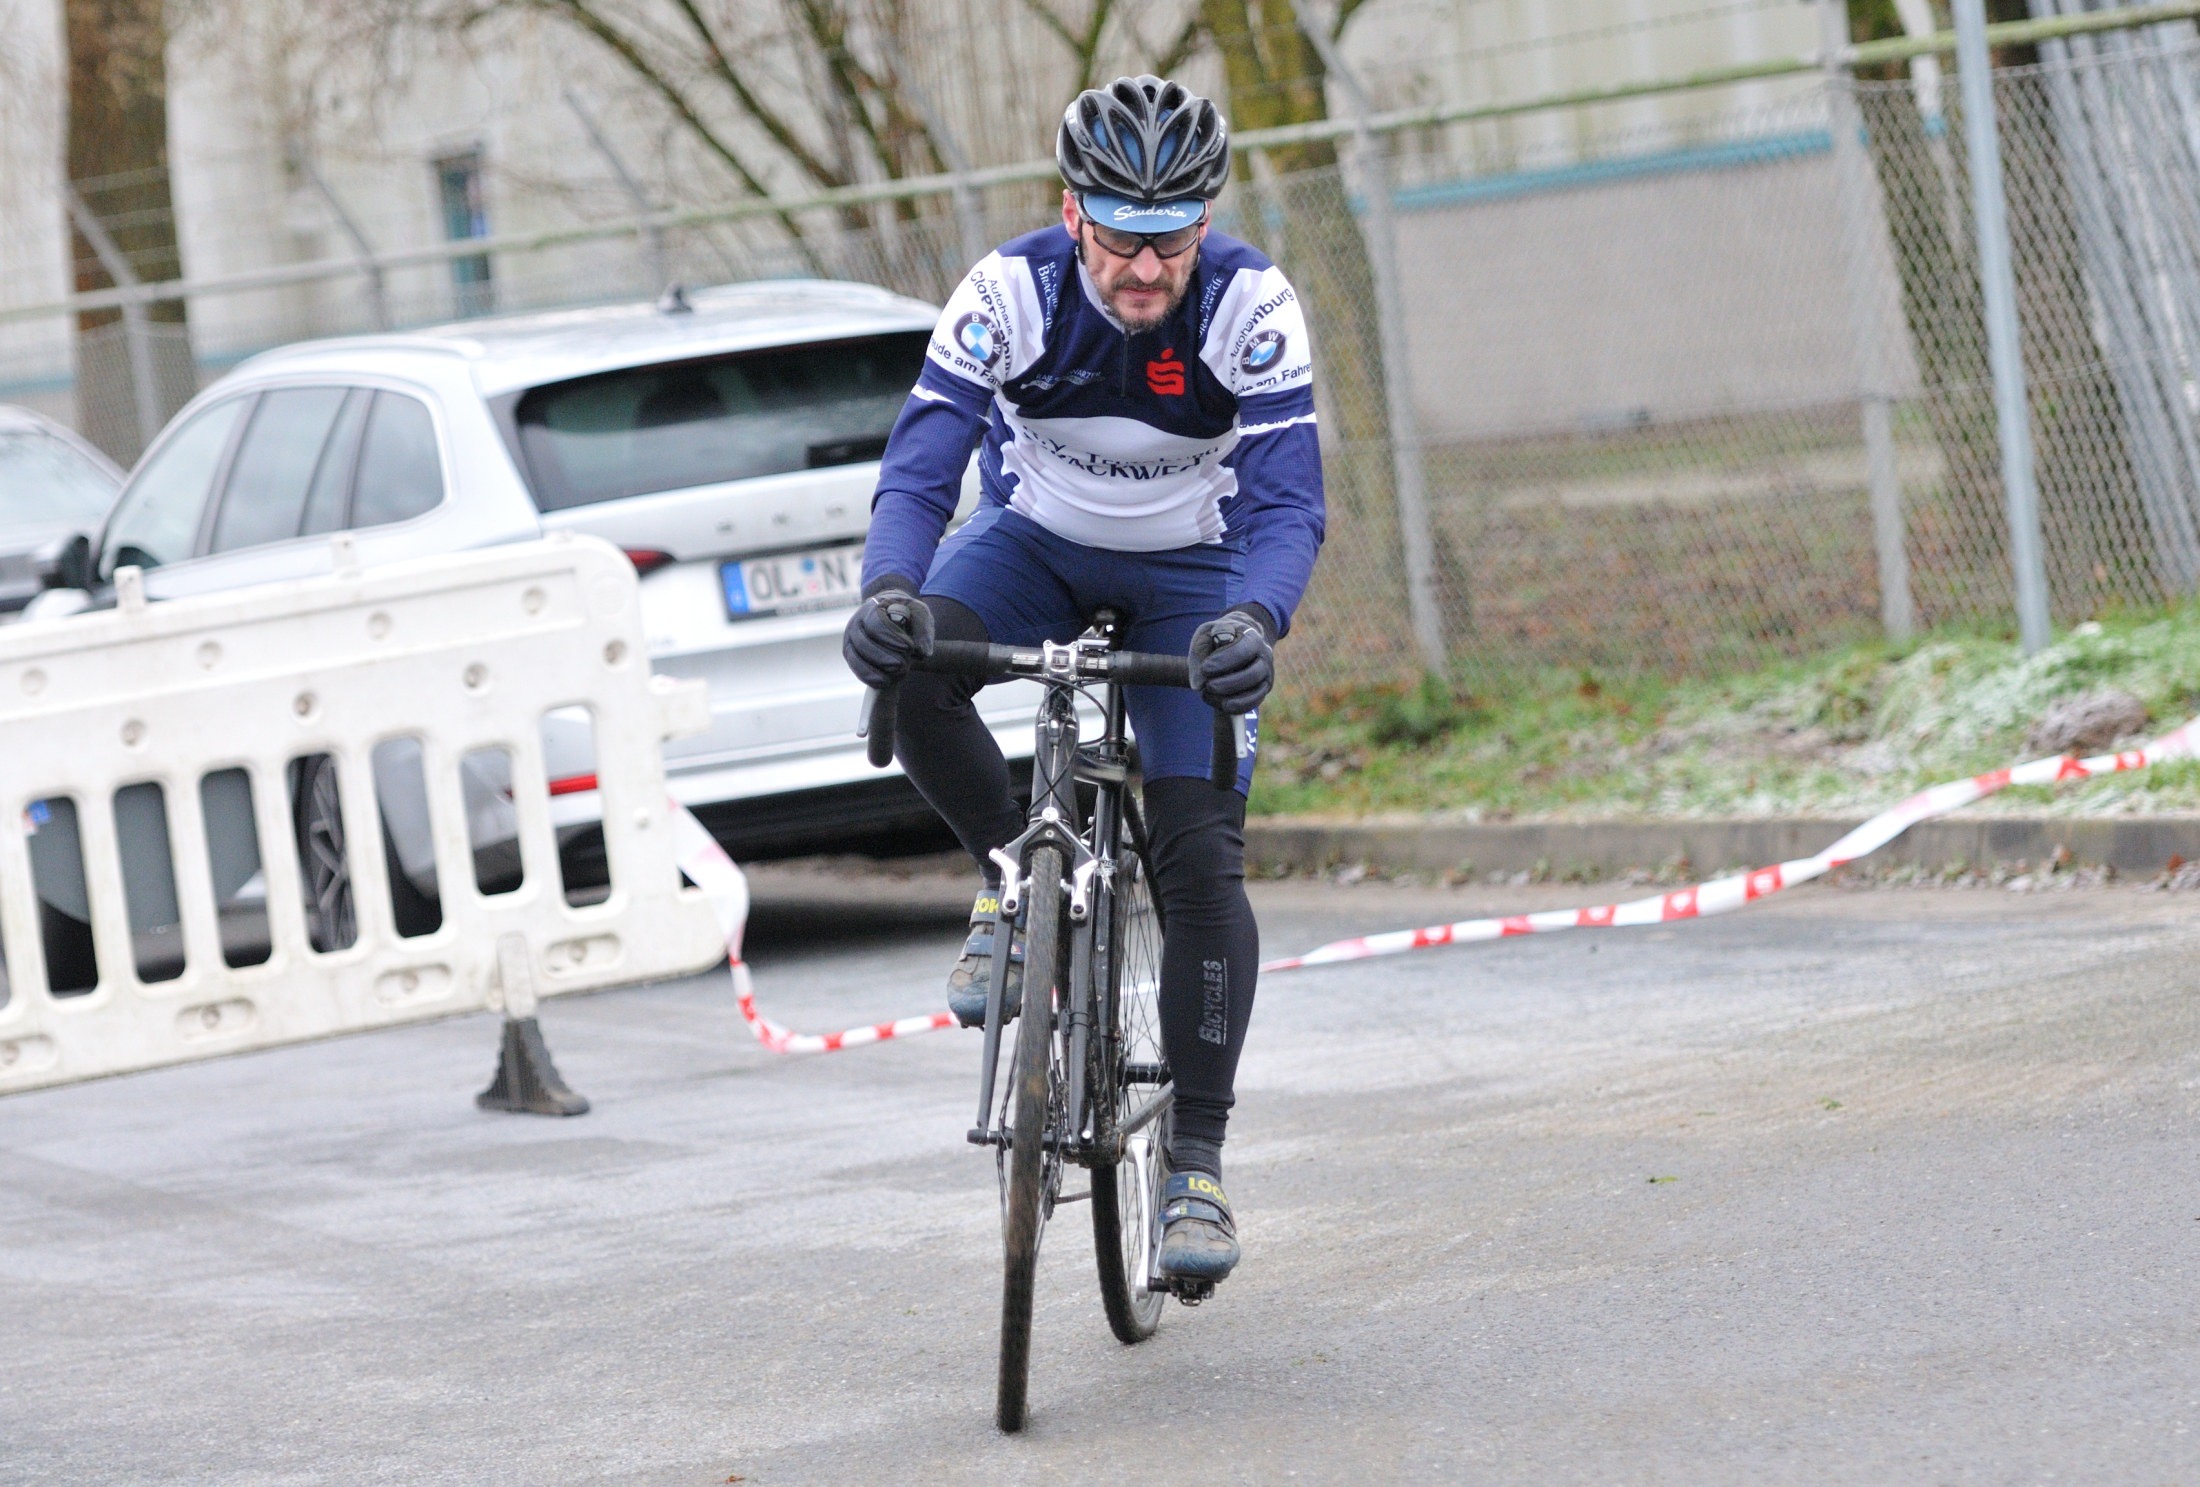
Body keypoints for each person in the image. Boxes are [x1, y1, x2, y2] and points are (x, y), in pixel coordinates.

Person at [841, 75, 1325, 1287]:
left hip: (1194, 567)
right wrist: (889, 589)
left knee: (1200, 857)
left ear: (1203, 225)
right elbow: (921, 467)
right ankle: (1013, 880)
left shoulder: (1251, 305)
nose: (1146, 268)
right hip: (1033, 542)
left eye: (1171, 240)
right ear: (1071, 214)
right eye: (1119, 238)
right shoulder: (1007, 292)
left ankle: (1197, 1163)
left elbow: (1287, 505)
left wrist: (1257, 619)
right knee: (916, 671)